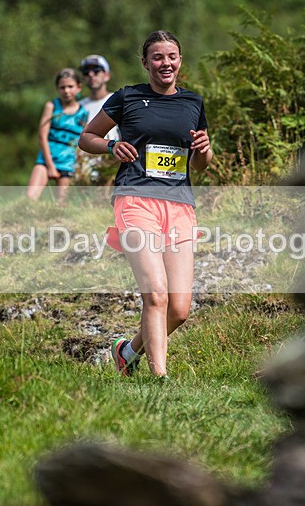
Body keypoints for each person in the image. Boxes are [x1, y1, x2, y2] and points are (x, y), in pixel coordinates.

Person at [78, 31, 212, 378]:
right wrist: (110, 147)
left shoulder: (193, 103)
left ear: (180, 60)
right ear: (145, 63)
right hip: (136, 199)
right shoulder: (128, 97)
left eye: (171, 56)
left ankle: (127, 351)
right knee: (156, 295)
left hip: (180, 205)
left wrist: (204, 149)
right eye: (157, 57)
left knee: (179, 309)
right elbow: (87, 138)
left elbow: (200, 164)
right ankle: (159, 379)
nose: (165, 63)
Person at [26, 68, 88, 202]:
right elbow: (42, 136)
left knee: (62, 203)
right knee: (30, 197)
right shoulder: (51, 107)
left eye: (70, 87)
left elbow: (83, 141)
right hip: (47, 158)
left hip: (68, 162)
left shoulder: (84, 113)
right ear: (57, 89)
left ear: (79, 88)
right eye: (62, 87)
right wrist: (50, 166)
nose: (66, 91)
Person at [77, 55, 120, 183]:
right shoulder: (79, 107)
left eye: (96, 71)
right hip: (83, 173)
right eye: (86, 72)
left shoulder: (118, 101)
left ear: (107, 75)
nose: (91, 75)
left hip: (111, 169)